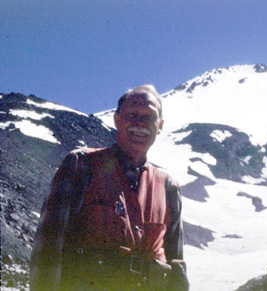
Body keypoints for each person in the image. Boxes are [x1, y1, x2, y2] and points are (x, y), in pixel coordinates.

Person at [30, 85, 189, 290]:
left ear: (160, 126)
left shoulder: (169, 187)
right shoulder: (82, 164)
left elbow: (176, 266)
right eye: (132, 114)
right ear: (116, 120)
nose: (140, 123)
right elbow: (48, 249)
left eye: (148, 117)